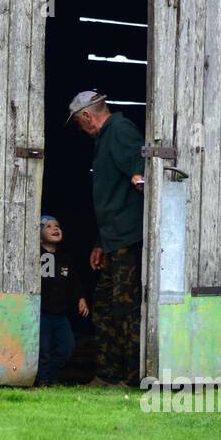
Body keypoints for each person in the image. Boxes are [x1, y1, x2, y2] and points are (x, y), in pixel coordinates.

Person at [66, 90, 145, 387]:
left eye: (77, 122)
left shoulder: (120, 130)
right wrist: (100, 242)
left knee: (126, 308)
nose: (79, 129)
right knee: (103, 306)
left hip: (128, 238)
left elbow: (140, 168)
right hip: (112, 240)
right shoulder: (103, 140)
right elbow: (113, 197)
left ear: (87, 116)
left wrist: (140, 176)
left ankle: (133, 378)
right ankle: (107, 375)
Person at [38, 214, 88, 387]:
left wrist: (81, 298)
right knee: (42, 349)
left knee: (67, 347)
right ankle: (42, 381)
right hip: (41, 312)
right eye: (48, 226)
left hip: (59, 314)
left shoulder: (65, 258)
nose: (55, 229)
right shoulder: (35, 255)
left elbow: (74, 282)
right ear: (38, 233)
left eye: (57, 225)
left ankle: (50, 378)